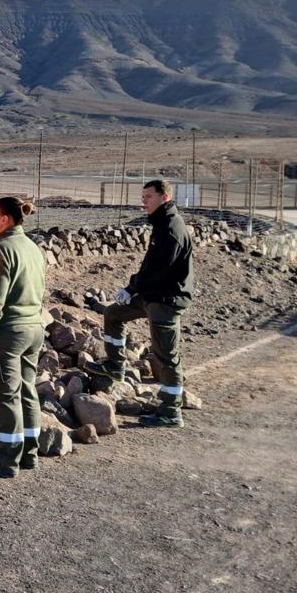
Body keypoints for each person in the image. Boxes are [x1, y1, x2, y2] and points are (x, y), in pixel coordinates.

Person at [84, 179, 193, 428]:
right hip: (151, 296)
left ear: (164, 198)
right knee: (113, 314)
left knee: (166, 356)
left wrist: (132, 288)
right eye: (142, 196)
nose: (143, 201)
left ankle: (170, 411)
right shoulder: (161, 224)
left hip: (165, 299)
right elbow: (151, 267)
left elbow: (159, 269)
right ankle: (115, 365)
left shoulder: (171, 229)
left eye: (148, 197)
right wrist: (134, 290)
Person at [0, 197, 46, 479]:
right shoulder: (32, 248)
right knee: (27, 390)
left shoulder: (0, 251)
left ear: (5, 219)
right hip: (33, 328)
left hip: (8, 333)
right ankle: (29, 452)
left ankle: (5, 459)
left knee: (6, 396)